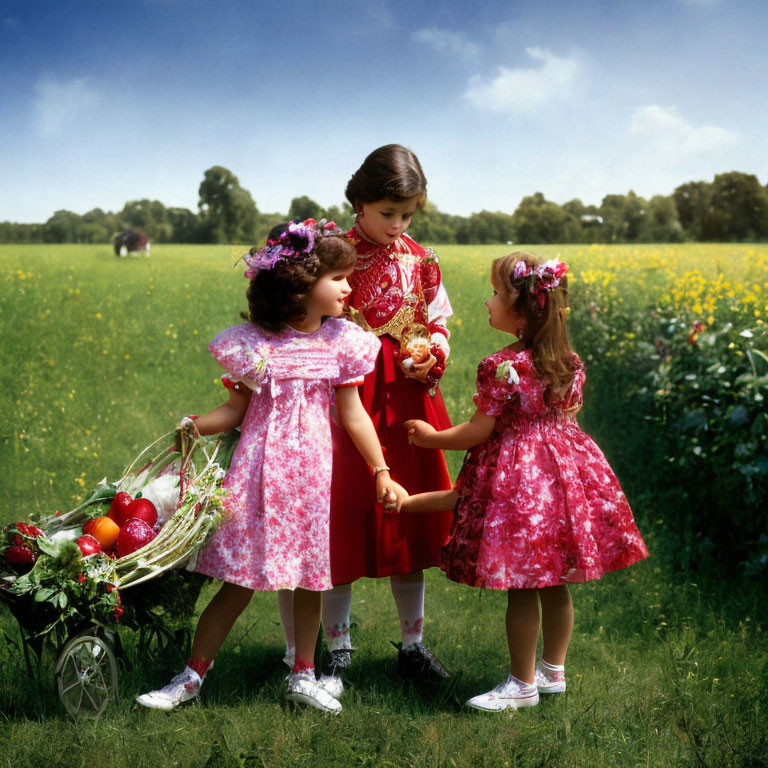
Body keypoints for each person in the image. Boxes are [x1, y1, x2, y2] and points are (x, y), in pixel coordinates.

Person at [136, 220, 407, 714]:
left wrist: (381, 470)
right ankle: (192, 675)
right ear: (302, 284)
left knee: (309, 578)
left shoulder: (340, 344)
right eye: (339, 279)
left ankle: (303, 674)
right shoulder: (257, 344)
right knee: (237, 580)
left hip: (309, 483)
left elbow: (354, 415)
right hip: (257, 477)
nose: (350, 287)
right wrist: (197, 425)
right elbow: (235, 411)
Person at [402, 251, 649, 712]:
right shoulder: (568, 360)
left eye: (496, 293)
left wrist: (431, 436)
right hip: (564, 477)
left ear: (521, 310)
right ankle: (553, 671)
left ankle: (522, 683)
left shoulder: (501, 365)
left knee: (522, 583)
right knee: (555, 581)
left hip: (522, 482)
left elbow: (479, 430)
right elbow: (565, 415)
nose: (488, 301)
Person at [277, 145, 454, 689]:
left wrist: (436, 351)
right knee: (340, 522)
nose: (398, 225)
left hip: (406, 399)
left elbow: (439, 318)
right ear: (359, 202)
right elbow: (301, 318)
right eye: (387, 213)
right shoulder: (334, 254)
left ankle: (413, 643)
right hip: (344, 399)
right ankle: (337, 647)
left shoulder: (421, 258)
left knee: (408, 522)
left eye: (407, 215)